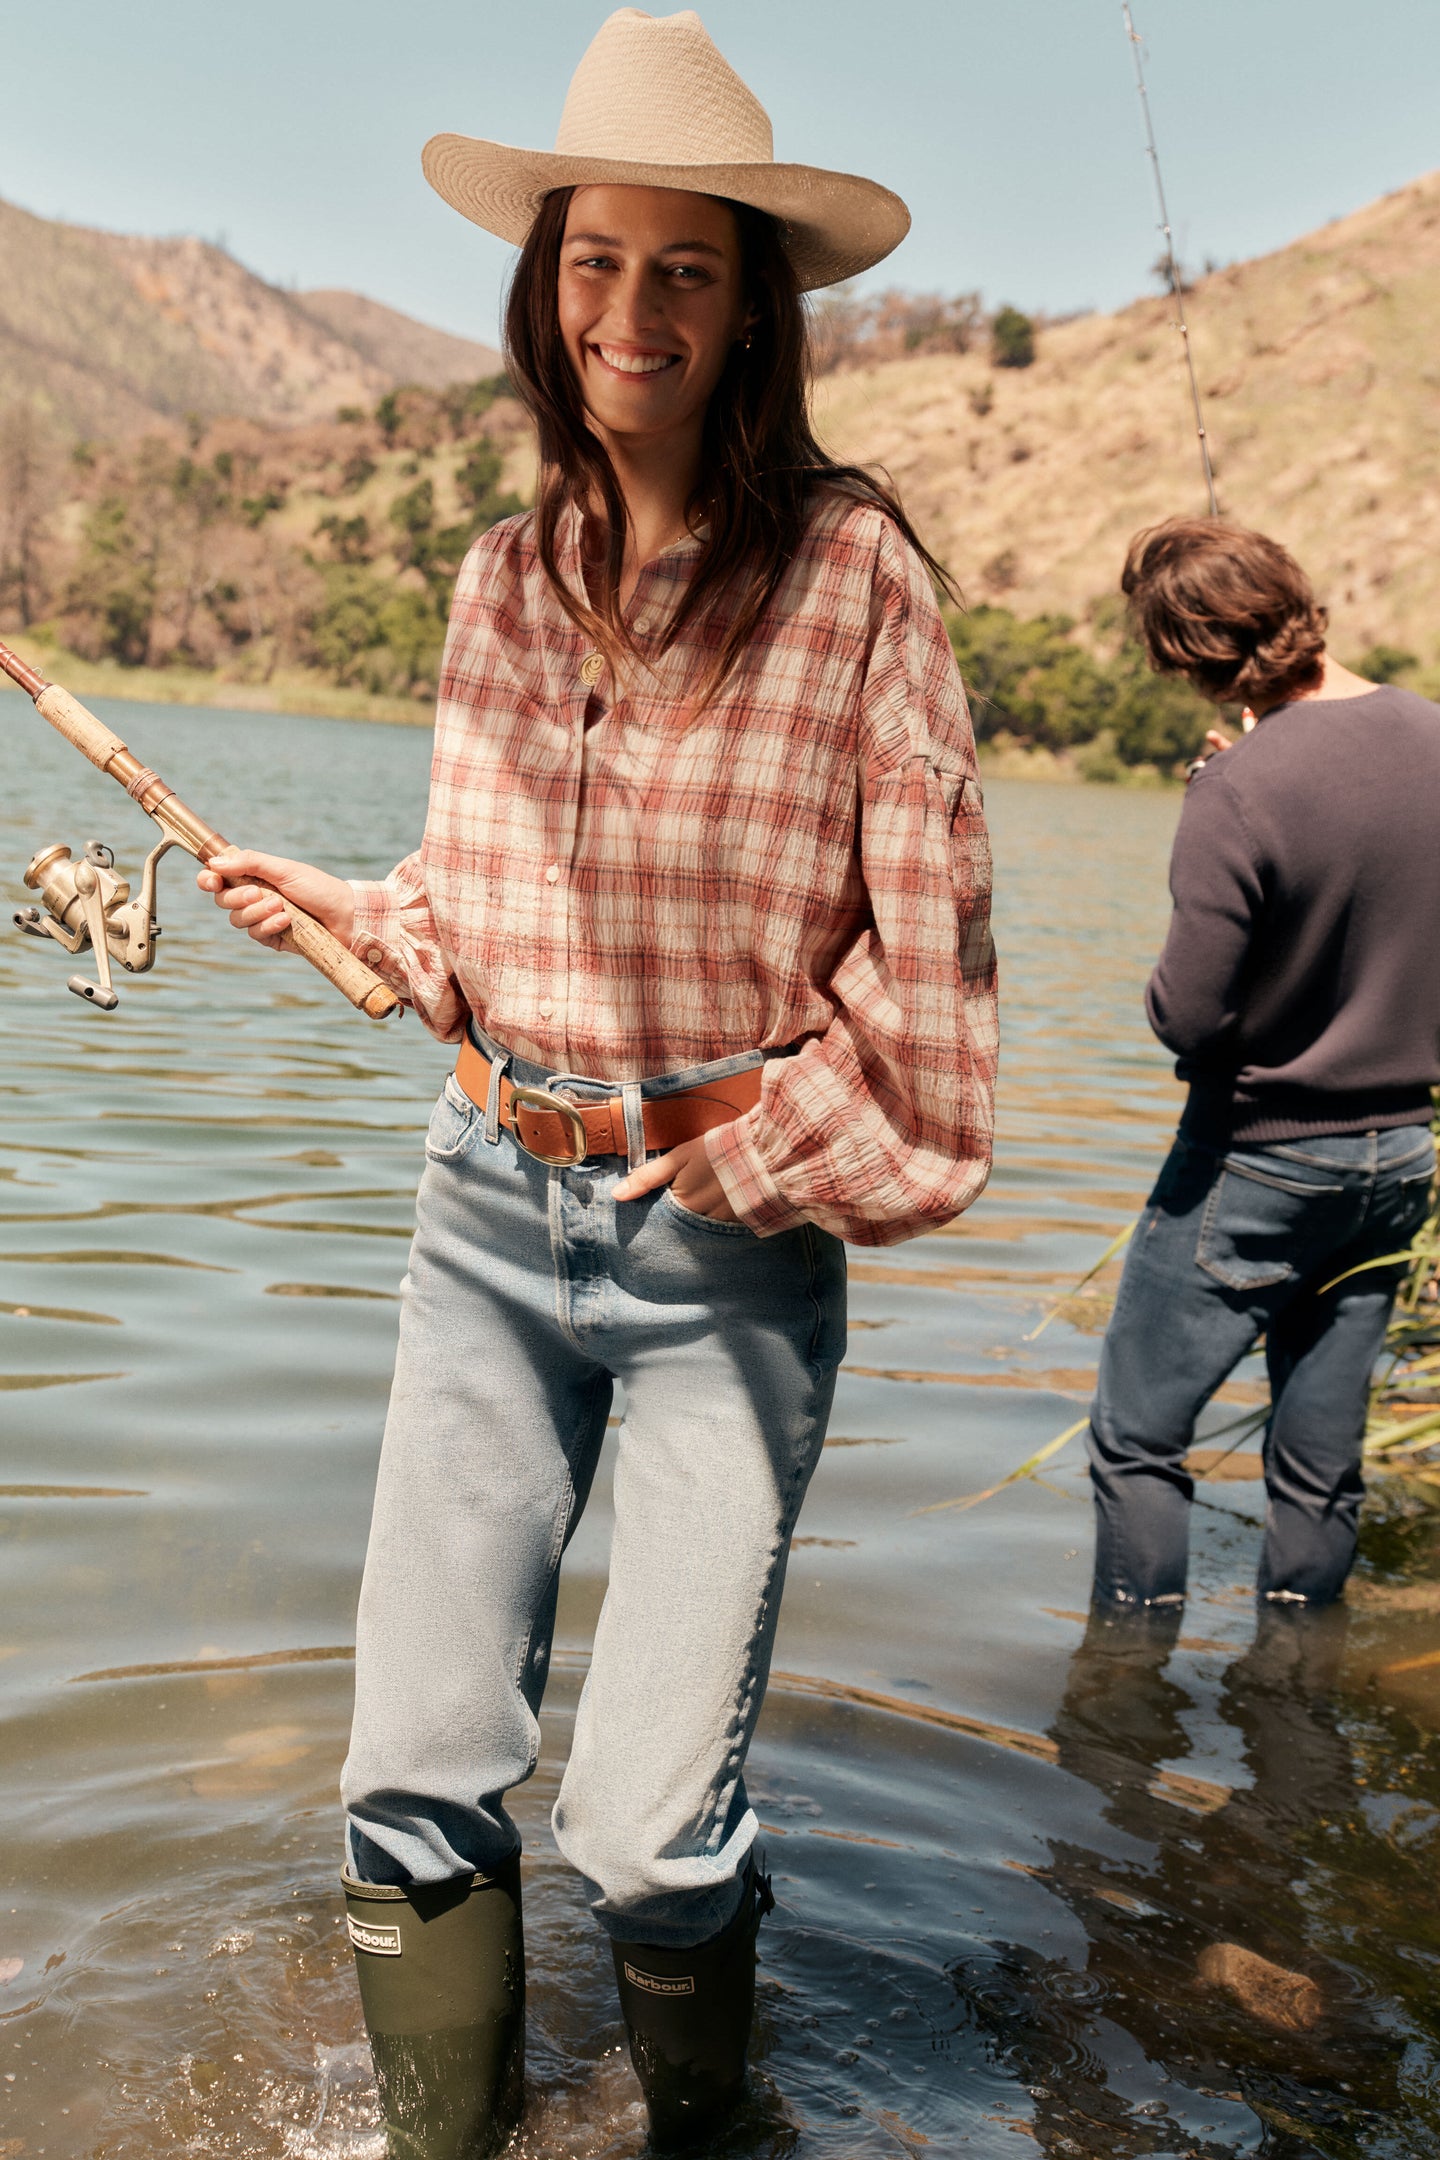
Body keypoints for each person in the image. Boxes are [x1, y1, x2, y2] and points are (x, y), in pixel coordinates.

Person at [200, 11, 998, 2153]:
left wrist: (732, 1157)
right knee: (410, 1771)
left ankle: (706, 2136)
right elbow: (480, 921)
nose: (628, 312)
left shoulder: (859, 589)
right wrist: (356, 917)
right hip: (480, 1218)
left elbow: (931, 1035)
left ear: (755, 313)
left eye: (684, 269)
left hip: (724, 1249)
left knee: (650, 1830)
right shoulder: (494, 577)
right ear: (541, 284)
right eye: (592, 262)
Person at [1087, 516, 1439, 1618]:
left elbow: (1186, 1018)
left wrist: (1226, 795)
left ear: (1188, 658)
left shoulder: (1235, 790)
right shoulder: (1434, 735)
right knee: (1319, 1465)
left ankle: (1120, 1705)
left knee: (1138, 1442)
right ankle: (1297, 1700)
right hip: (1401, 1163)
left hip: (1261, 1160)